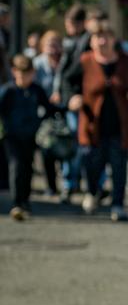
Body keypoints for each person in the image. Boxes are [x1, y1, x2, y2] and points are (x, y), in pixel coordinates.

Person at [65, 21, 128, 221]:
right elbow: (67, 82)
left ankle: (118, 204)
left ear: (114, 39)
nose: (102, 41)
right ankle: (92, 193)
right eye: (98, 37)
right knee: (91, 163)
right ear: (91, 41)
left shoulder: (126, 61)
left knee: (119, 167)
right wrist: (72, 97)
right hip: (92, 125)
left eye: (106, 36)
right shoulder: (84, 61)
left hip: (120, 125)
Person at [0, 55, 57, 220]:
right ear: (14, 72)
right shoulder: (8, 91)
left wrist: (65, 107)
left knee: (28, 167)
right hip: (12, 136)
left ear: (33, 73)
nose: (24, 77)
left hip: (31, 136)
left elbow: (48, 108)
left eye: (28, 73)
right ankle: (17, 203)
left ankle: (25, 201)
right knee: (16, 166)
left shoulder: (36, 90)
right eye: (21, 73)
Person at [52, 6, 87, 201]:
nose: (68, 27)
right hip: (67, 101)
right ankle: (69, 183)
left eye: (71, 24)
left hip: (80, 101)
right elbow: (62, 72)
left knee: (81, 144)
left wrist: (77, 95)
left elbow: (79, 74)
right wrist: (58, 91)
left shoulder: (86, 42)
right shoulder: (70, 42)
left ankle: (77, 183)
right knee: (68, 142)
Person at [32, 31, 64, 198]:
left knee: (65, 147)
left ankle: (67, 184)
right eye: (48, 43)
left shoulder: (64, 62)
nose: (52, 47)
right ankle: (51, 185)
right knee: (46, 149)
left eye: (55, 43)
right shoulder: (37, 64)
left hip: (62, 110)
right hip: (44, 111)